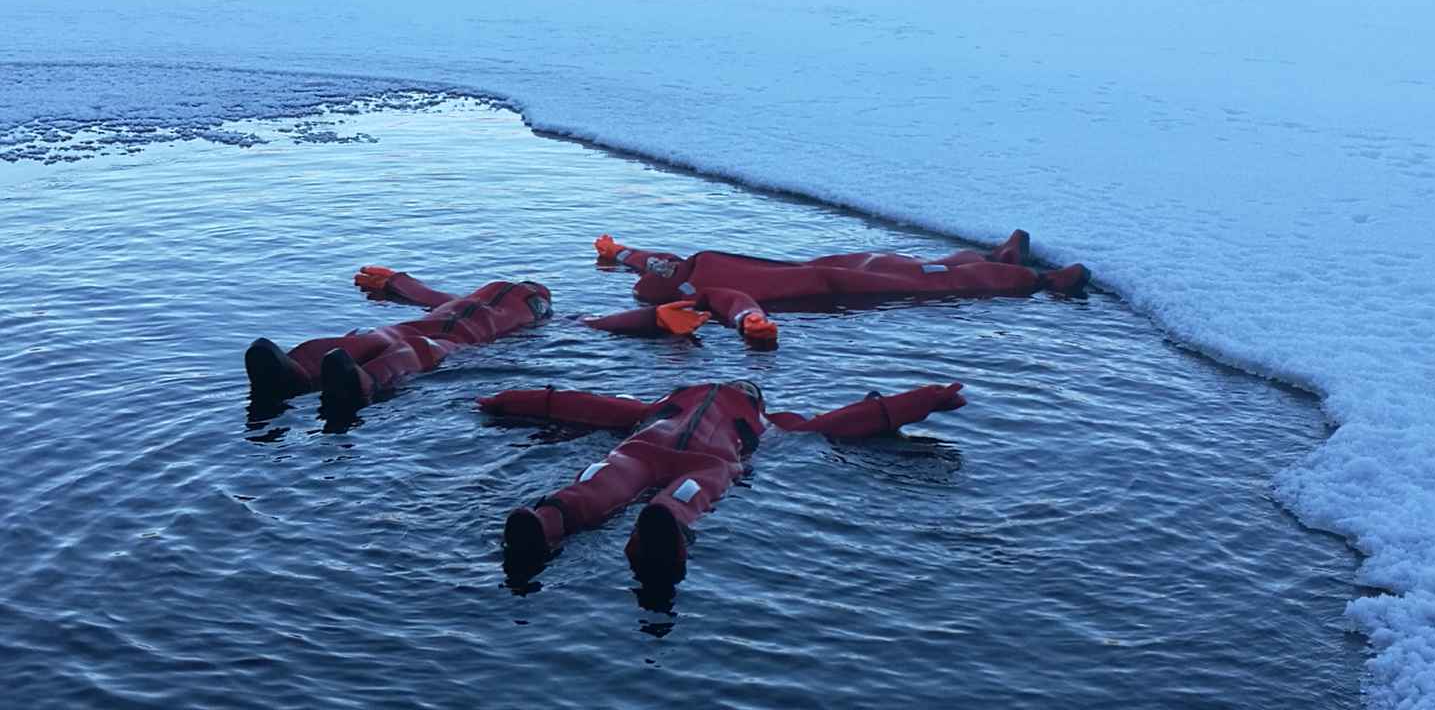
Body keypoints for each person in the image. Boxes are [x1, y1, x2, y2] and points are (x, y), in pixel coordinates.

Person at [482, 379, 967, 585]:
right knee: (690, 497)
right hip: (708, 463)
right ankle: (664, 525)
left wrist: (508, 399)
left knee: (593, 487)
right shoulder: (769, 423)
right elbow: (844, 421)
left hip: (640, 450)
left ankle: (544, 522)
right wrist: (922, 399)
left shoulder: (662, 406)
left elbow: (579, 405)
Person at [587, 229, 1089, 348]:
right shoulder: (688, 281)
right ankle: (1024, 272)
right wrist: (750, 324)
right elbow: (730, 301)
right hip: (828, 276)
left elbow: (647, 263)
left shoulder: (682, 276)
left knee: (921, 274)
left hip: (829, 274)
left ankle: (1019, 270)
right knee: (924, 277)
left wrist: (618, 253)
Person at [244, 269, 552, 417]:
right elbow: (427, 295)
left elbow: (425, 295)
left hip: (451, 342)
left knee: (414, 347)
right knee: (375, 339)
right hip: (423, 330)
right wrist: (394, 280)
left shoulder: (537, 319)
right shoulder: (460, 302)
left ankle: (358, 380)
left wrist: (395, 281)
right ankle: (293, 370)